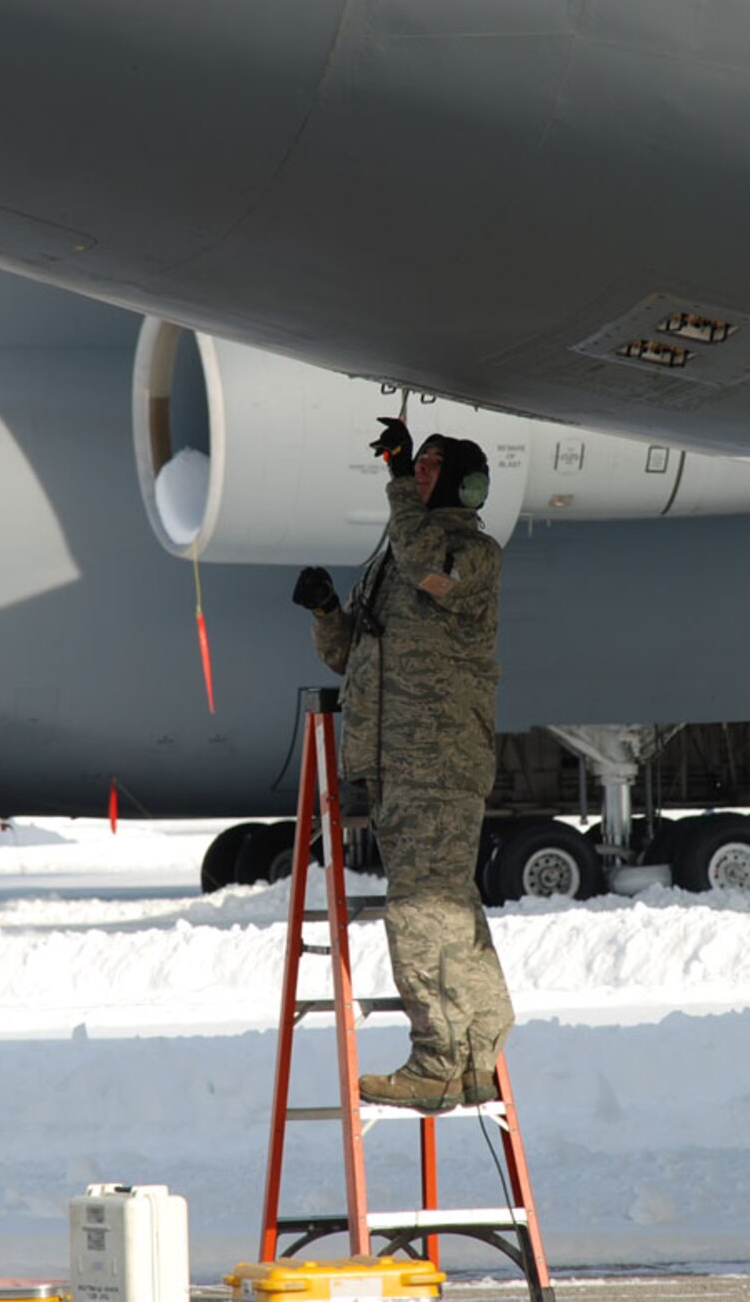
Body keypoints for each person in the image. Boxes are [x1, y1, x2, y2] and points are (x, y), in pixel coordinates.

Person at [290, 417, 515, 1112]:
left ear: (456, 482)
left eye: (427, 467)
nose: (413, 475)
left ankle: (438, 1060)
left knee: (421, 909)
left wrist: (395, 487)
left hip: (437, 758)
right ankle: (476, 1053)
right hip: (399, 764)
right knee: (448, 904)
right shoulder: (397, 558)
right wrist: (328, 610)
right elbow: (348, 654)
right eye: (412, 467)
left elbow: (429, 569)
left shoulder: (469, 553)